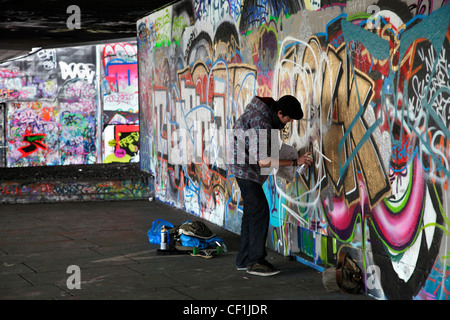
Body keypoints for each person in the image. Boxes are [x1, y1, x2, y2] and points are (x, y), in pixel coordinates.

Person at [227, 95, 313, 276]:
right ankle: (255, 261)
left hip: (243, 165)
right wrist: (295, 161)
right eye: (287, 119)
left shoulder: (267, 116)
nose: (287, 123)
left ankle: (244, 260)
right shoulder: (262, 122)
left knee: (252, 212)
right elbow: (264, 161)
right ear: (279, 112)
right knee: (259, 210)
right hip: (244, 167)